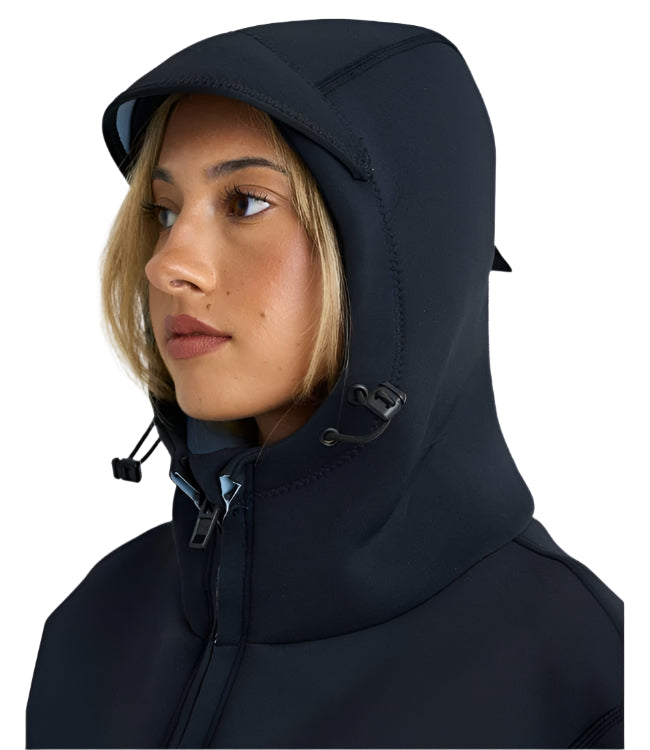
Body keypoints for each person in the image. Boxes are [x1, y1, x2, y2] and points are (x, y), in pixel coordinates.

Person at [26, 19, 623, 749]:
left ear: (397, 254)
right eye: (164, 211)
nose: (166, 264)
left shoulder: (583, 682)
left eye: (245, 202)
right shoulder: (93, 628)